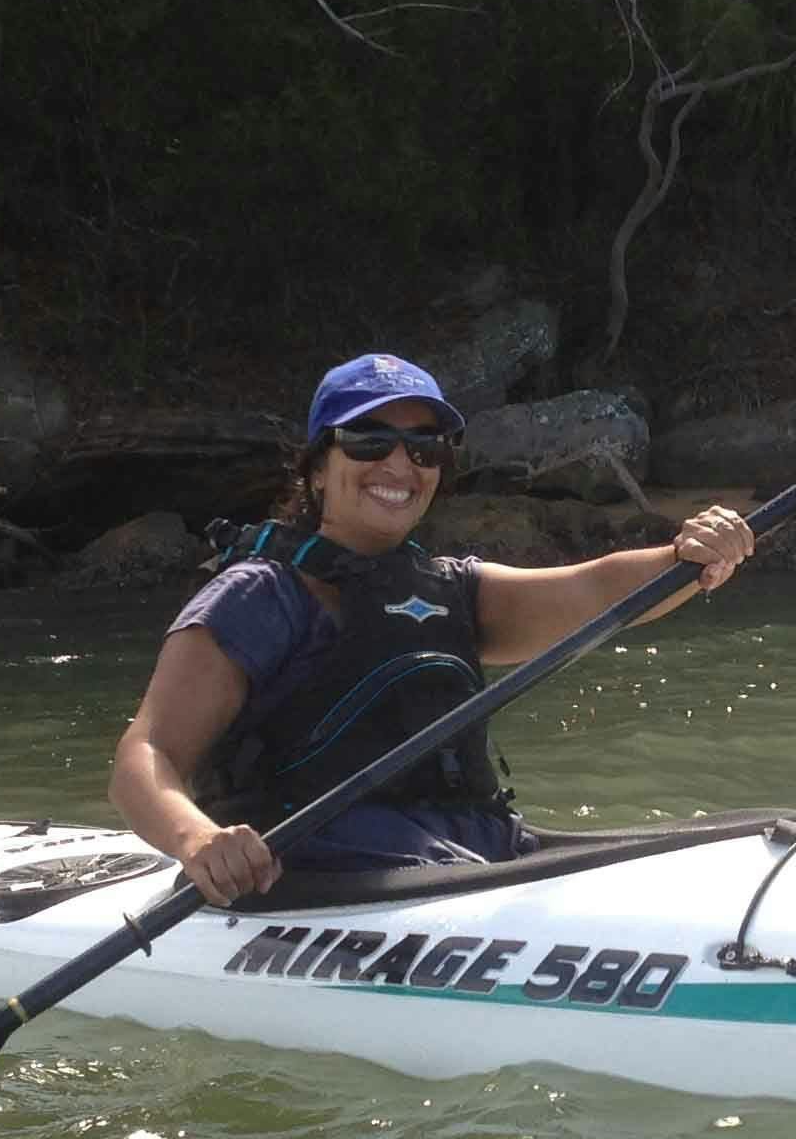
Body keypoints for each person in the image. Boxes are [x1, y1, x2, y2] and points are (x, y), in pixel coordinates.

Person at [109, 352, 756, 904]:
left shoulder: (454, 590)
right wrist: (198, 839)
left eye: (424, 448)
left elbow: (594, 589)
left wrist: (688, 558)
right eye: (369, 440)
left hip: (475, 851)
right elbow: (146, 754)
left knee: (756, 829)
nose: (400, 464)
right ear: (317, 467)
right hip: (320, 874)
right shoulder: (258, 596)